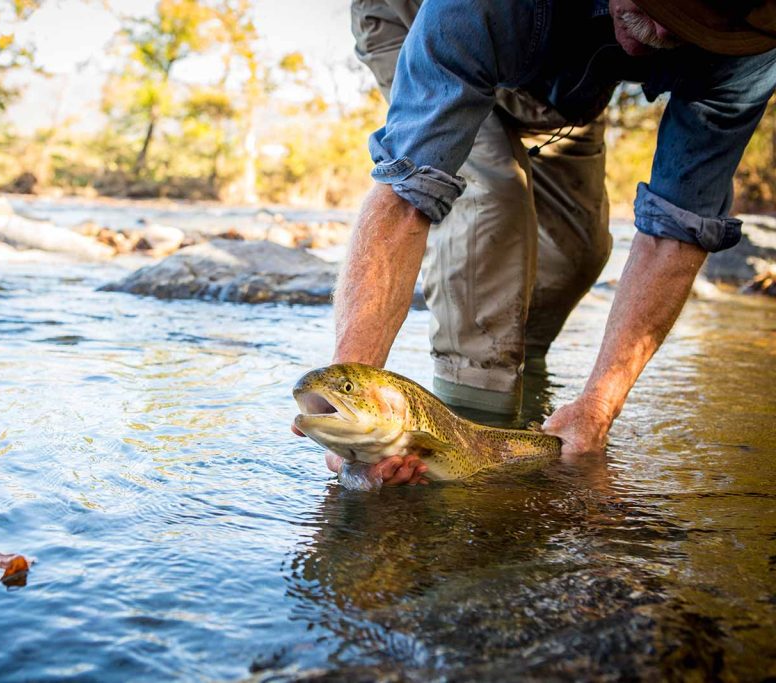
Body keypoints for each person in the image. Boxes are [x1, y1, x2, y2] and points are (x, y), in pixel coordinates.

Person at [293, 0, 776, 485]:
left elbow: (679, 224)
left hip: (567, 94)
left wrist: (599, 404)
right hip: (425, 24)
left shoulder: (746, 39)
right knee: (493, 215)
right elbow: (405, 199)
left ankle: (526, 414)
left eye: (689, 25)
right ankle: (466, 455)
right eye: (653, 6)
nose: (657, 29)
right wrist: (351, 418)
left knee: (580, 253)